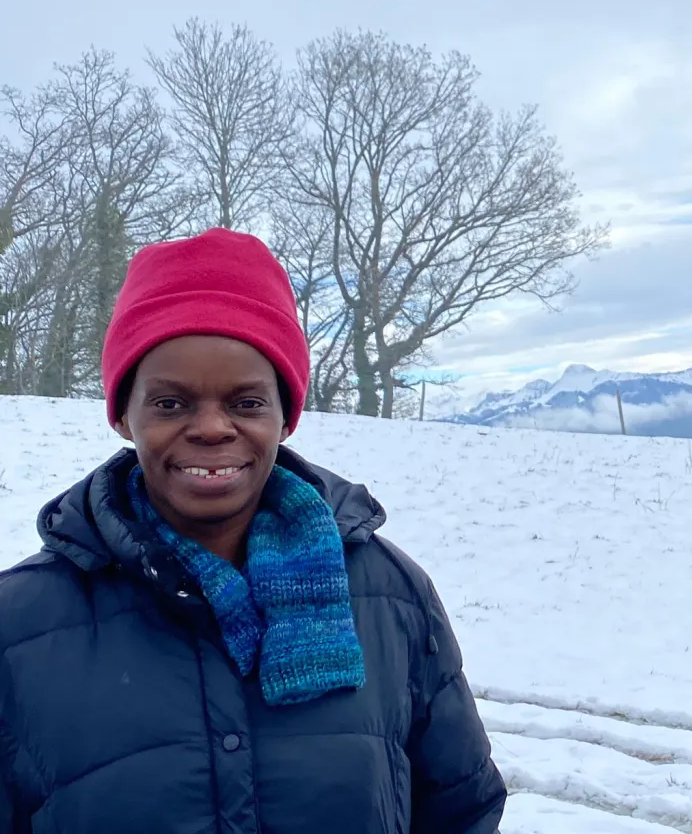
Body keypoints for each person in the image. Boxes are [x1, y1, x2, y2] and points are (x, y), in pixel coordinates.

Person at [0, 228, 507, 833]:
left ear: (284, 416)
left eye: (246, 403)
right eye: (170, 403)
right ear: (122, 414)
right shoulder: (20, 624)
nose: (212, 428)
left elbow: (461, 810)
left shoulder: (390, 594)